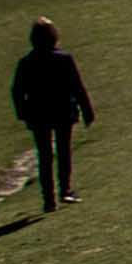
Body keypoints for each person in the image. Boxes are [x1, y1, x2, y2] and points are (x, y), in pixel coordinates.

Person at [12, 20, 92, 210]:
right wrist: (87, 109)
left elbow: (17, 91)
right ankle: (65, 190)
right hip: (62, 111)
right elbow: (77, 86)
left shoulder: (26, 63)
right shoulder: (64, 59)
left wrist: (22, 112)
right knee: (63, 151)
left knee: (44, 156)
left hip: (38, 115)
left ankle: (48, 198)